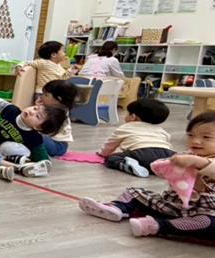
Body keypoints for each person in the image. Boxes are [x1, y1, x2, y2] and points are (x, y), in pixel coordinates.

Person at [79, 111, 215, 241]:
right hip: (170, 204)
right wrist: (164, 166)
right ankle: (117, 208)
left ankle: (158, 226)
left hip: (204, 212)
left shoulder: (197, 159)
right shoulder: (186, 155)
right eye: (191, 135)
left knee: (209, 224)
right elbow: (165, 171)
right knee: (134, 193)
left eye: (206, 137)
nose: (196, 141)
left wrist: (197, 162)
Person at [0, 89, 67, 175]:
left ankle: (23, 162)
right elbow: (0, 103)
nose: (32, 112)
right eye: (35, 108)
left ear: (37, 127)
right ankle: (13, 161)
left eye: (37, 116)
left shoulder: (34, 137)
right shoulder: (12, 111)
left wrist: (43, 165)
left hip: (5, 150)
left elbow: (43, 158)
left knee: (8, 147)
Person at [98, 98, 174, 177]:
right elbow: (166, 141)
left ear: (133, 117)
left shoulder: (126, 127)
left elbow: (110, 144)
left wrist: (103, 153)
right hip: (167, 154)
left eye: (127, 114)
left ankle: (128, 165)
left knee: (112, 158)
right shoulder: (161, 130)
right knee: (175, 159)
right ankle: (172, 166)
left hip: (141, 154)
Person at [39, 79, 78, 157]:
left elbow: (44, 129)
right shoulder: (52, 108)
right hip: (51, 141)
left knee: (35, 137)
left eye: (46, 95)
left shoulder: (60, 113)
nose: (41, 96)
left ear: (58, 99)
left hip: (58, 146)